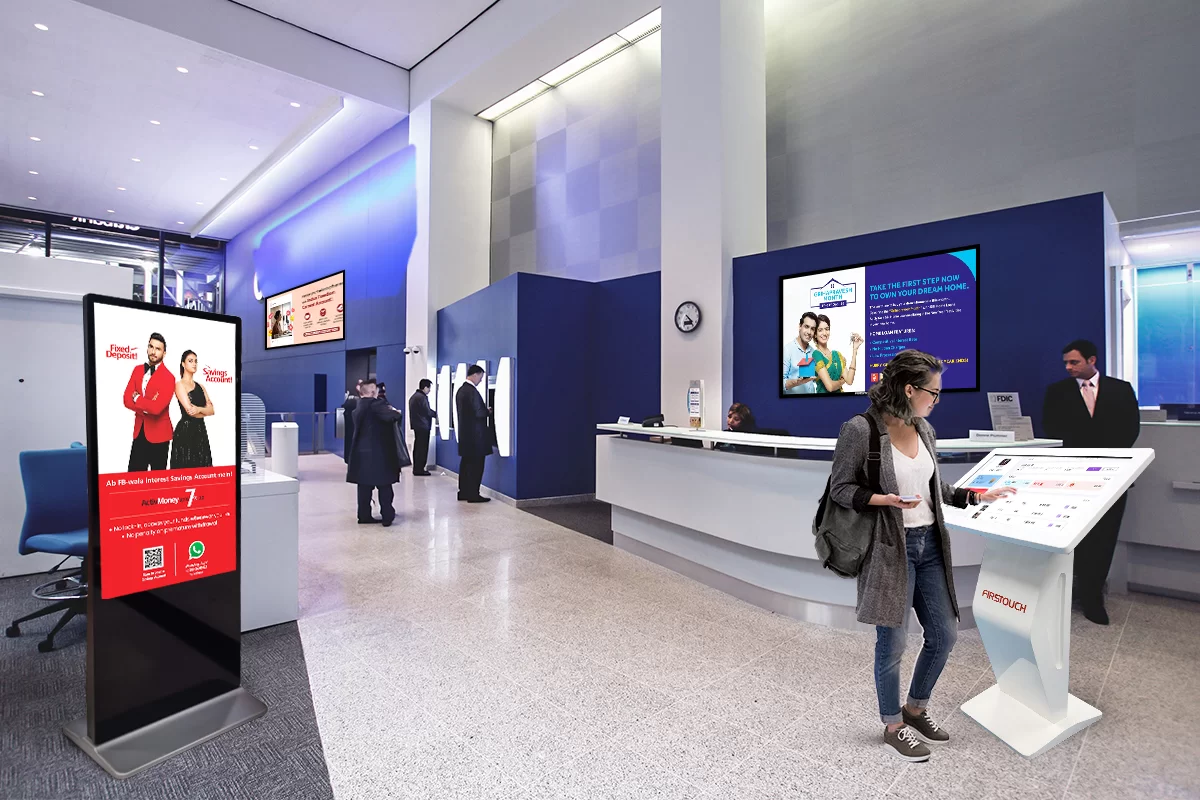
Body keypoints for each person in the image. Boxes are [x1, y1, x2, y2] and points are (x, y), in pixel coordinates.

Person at [829, 349, 1015, 762]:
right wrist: (885, 499)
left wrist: (976, 496)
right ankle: (893, 725)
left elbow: (935, 488)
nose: (936, 400)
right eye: (933, 392)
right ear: (909, 389)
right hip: (889, 548)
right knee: (892, 641)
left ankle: (915, 708)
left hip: (930, 545)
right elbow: (840, 488)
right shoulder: (860, 429)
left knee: (944, 634)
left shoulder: (924, 429)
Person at [1041, 339, 1140, 625]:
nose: (1068, 367)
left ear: (1092, 360)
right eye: (1066, 363)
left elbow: (1131, 429)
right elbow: (1052, 429)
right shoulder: (1057, 392)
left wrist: (1106, 461)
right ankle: (1075, 590)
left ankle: (1093, 596)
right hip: (1072, 478)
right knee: (1074, 536)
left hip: (1113, 476)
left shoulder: (1121, 389)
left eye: (1074, 362)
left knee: (1106, 536)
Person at [346, 379, 404, 526]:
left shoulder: (359, 406)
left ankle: (364, 515)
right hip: (379, 453)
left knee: (364, 487)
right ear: (372, 392)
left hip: (361, 453)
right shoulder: (376, 404)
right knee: (384, 485)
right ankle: (387, 516)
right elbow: (394, 416)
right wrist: (396, 412)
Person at [123, 332, 176, 471]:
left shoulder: (169, 377)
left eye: (158, 349)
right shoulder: (137, 370)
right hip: (139, 432)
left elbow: (157, 409)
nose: (153, 352)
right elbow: (126, 399)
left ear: (164, 353)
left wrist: (137, 398)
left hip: (160, 436)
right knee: (134, 478)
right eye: (151, 347)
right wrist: (147, 407)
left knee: (157, 480)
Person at [170, 350, 214, 469]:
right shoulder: (179, 385)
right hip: (185, 431)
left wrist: (199, 409)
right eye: (190, 361)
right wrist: (204, 411)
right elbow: (190, 412)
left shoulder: (201, 386)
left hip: (201, 431)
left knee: (203, 469)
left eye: (195, 361)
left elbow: (212, 410)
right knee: (185, 469)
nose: (194, 364)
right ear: (183, 364)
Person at [455, 365, 491, 503]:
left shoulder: (461, 390)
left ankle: (463, 492)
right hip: (476, 437)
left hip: (465, 436)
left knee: (466, 465)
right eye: (480, 377)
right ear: (475, 374)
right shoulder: (472, 392)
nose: (481, 380)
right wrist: (487, 411)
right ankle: (473, 494)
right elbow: (479, 413)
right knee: (476, 466)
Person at [814, 315, 863, 394]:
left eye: (827, 329)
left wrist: (855, 350)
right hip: (824, 400)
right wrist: (842, 381)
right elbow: (830, 387)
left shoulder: (836, 354)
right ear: (815, 334)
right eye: (820, 330)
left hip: (840, 398)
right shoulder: (816, 355)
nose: (824, 333)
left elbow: (849, 380)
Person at [783, 312, 819, 394]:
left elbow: (814, 379)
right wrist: (796, 382)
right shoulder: (787, 350)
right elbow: (779, 383)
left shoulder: (813, 352)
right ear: (800, 326)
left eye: (812, 329)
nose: (809, 332)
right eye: (806, 327)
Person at [409, 379, 437, 476]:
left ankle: (417, 468)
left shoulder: (414, 397)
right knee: (422, 448)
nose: (429, 390)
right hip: (423, 426)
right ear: (425, 387)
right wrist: (436, 414)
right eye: (429, 388)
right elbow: (427, 411)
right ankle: (420, 469)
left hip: (417, 426)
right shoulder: (422, 398)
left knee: (417, 447)